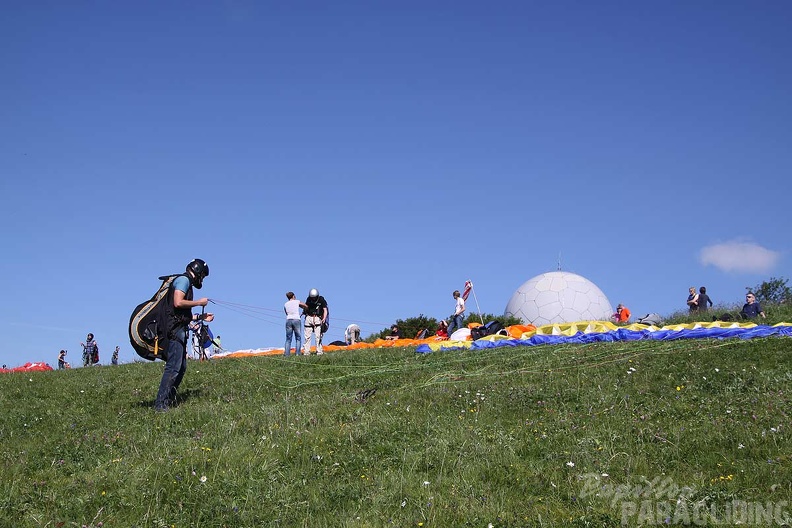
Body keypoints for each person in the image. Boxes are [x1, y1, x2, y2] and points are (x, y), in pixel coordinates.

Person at [154, 258, 212, 412]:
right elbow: (178, 302)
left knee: (181, 367)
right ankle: (161, 404)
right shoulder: (183, 280)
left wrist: (201, 317)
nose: (202, 280)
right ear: (198, 271)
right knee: (173, 368)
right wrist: (199, 303)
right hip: (174, 330)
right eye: (203, 276)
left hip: (179, 328)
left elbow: (182, 314)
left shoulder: (186, 282)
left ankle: (169, 399)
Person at [302, 288, 328, 355]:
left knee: (318, 336)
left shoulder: (321, 300)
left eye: (314, 298)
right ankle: (306, 352)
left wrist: (324, 318)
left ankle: (319, 351)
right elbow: (306, 307)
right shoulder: (308, 299)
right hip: (309, 317)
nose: (313, 299)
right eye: (312, 298)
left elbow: (325, 309)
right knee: (307, 337)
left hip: (317, 318)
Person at [284, 292, 307, 356]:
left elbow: (286, 313)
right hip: (296, 319)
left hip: (288, 320)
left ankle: (287, 354)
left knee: (288, 339)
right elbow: (305, 305)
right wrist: (305, 309)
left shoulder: (285, 304)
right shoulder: (297, 301)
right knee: (298, 338)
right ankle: (297, 353)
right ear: (293, 296)